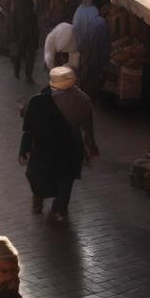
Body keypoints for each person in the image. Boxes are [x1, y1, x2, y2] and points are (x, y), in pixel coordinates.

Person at [20, 67, 97, 222]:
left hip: (46, 146)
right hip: (69, 146)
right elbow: (87, 126)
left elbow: (28, 126)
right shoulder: (83, 99)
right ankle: (58, 208)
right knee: (65, 178)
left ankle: (43, 199)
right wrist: (90, 145)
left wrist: (24, 149)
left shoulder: (39, 99)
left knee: (46, 175)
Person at [71, 0, 109, 96]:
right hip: (91, 46)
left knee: (85, 67)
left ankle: (81, 88)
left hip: (83, 45)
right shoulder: (100, 20)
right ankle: (85, 90)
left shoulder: (80, 10)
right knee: (90, 68)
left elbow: (75, 28)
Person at [9, 0, 39, 83]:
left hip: (21, 36)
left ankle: (17, 71)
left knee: (19, 53)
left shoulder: (15, 11)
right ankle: (28, 74)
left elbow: (12, 25)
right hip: (28, 36)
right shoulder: (30, 12)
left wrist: (13, 37)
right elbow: (35, 27)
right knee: (29, 55)